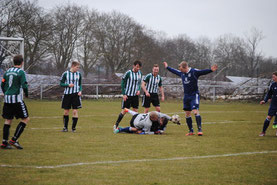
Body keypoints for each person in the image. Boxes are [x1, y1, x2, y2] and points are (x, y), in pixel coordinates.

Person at [164, 61, 218, 136]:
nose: (180, 71)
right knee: (187, 114)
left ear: (185, 67)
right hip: (186, 96)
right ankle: (191, 131)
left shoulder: (194, 72)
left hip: (194, 95)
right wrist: (167, 67)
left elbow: (202, 72)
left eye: (181, 69)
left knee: (195, 111)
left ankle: (199, 129)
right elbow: (174, 71)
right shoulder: (182, 73)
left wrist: (211, 70)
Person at [1, 55, 29, 149]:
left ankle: (4, 142)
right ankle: (14, 140)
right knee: (25, 119)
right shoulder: (21, 72)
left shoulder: (7, 71)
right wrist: (26, 94)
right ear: (22, 62)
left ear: (13, 62)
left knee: (8, 120)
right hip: (16, 99)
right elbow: (24, 85)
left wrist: (6, 93)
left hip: (7, 99)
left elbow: (3, 84)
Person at [113, 60, 142, 129]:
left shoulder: (139, 73)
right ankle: (116, 124)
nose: (138, 68)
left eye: (139, 67)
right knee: (125, 110)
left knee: (135, 111)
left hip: (135, 96)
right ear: (134, 66)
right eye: (137, 67)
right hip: (128, 95)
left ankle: (134, 126)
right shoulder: (128, 73)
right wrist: (124, 94)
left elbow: (139, 83)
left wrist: (138, 90)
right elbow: (123, 83)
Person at [60, 61, 82, 133]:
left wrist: (80, 91)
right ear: (72, 66)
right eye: (77, 67)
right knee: (66, 111)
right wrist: (68, 85)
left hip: (75, 95)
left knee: (75, 111)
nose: (78, 69)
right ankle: (65, 127)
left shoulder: (79, 74)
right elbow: (61, 83)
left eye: (78, 67)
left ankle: (73, 128)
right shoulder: (65, 74)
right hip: (67, 95)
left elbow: (80, 84)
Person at [259, 71, 277, 136]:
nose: (273, 78)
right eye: (273, 77)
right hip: (273, 104)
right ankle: (263, 132)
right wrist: (265, 100)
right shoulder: (272, 84)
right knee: (269, 117)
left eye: (274, 77)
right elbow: (269, 94)